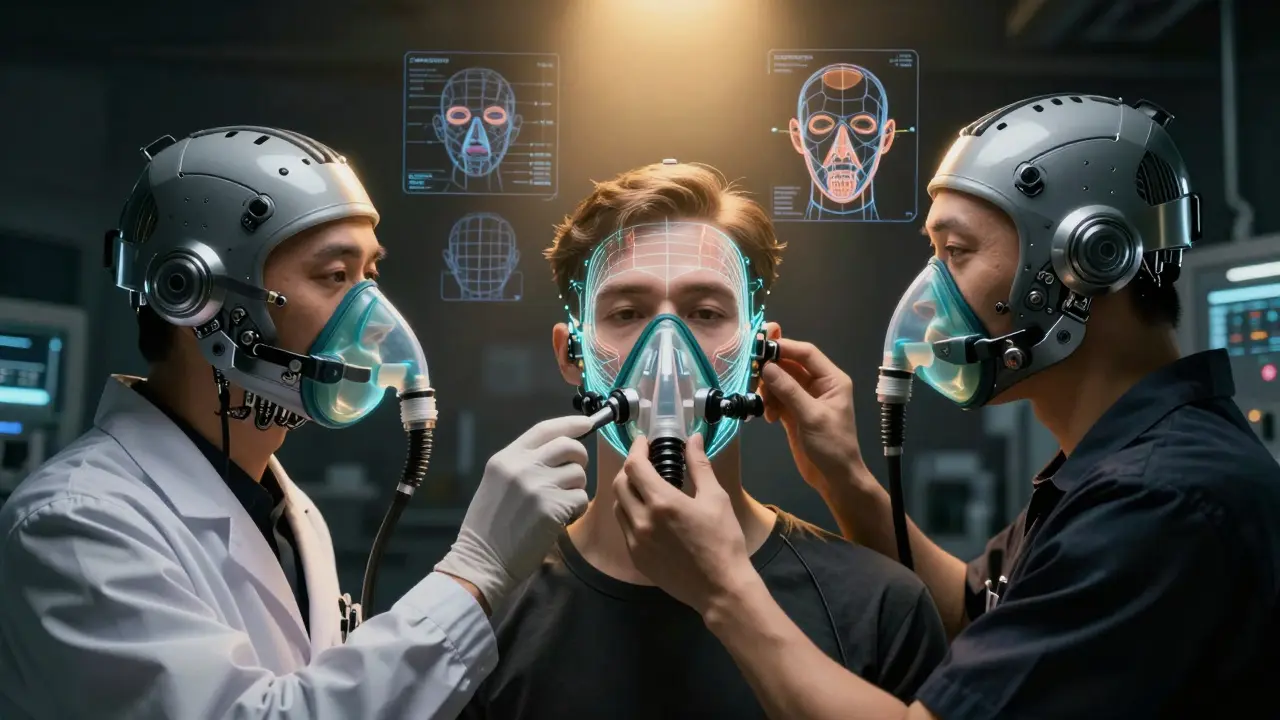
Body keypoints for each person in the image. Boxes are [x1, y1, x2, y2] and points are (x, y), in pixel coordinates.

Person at [611, 95, 1280, 718]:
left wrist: (723, 590)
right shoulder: (1118, 467)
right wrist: (846, 480)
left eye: (956, 253)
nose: (931, 293)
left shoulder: (1161, 502)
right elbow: (975, 613)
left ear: (1091, 259)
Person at [0, 126, 594, 719]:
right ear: (191, 293)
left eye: (370, 277)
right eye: (335, 276)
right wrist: (475, 573)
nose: (378, 322)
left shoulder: (287, 510)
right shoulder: (75, 525)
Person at [462, 161, 948, 719]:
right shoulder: (482, 622)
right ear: (570, 354)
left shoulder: (879, 608)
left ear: (759, 353)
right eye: (626, 312)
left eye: (705, 312)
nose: (666, 348)